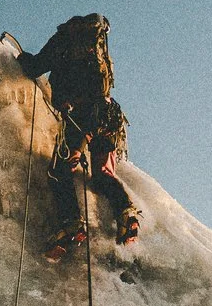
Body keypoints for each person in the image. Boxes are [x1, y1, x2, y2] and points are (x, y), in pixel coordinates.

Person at [17, 13, 140, 259]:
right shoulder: (99, 50)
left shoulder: (62, 40)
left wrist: (21, 57)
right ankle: (126, 213)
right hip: (108, 115)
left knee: (59, 170)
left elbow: (35, 67)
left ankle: (71, 224)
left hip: (81, 116)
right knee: (103, 174)